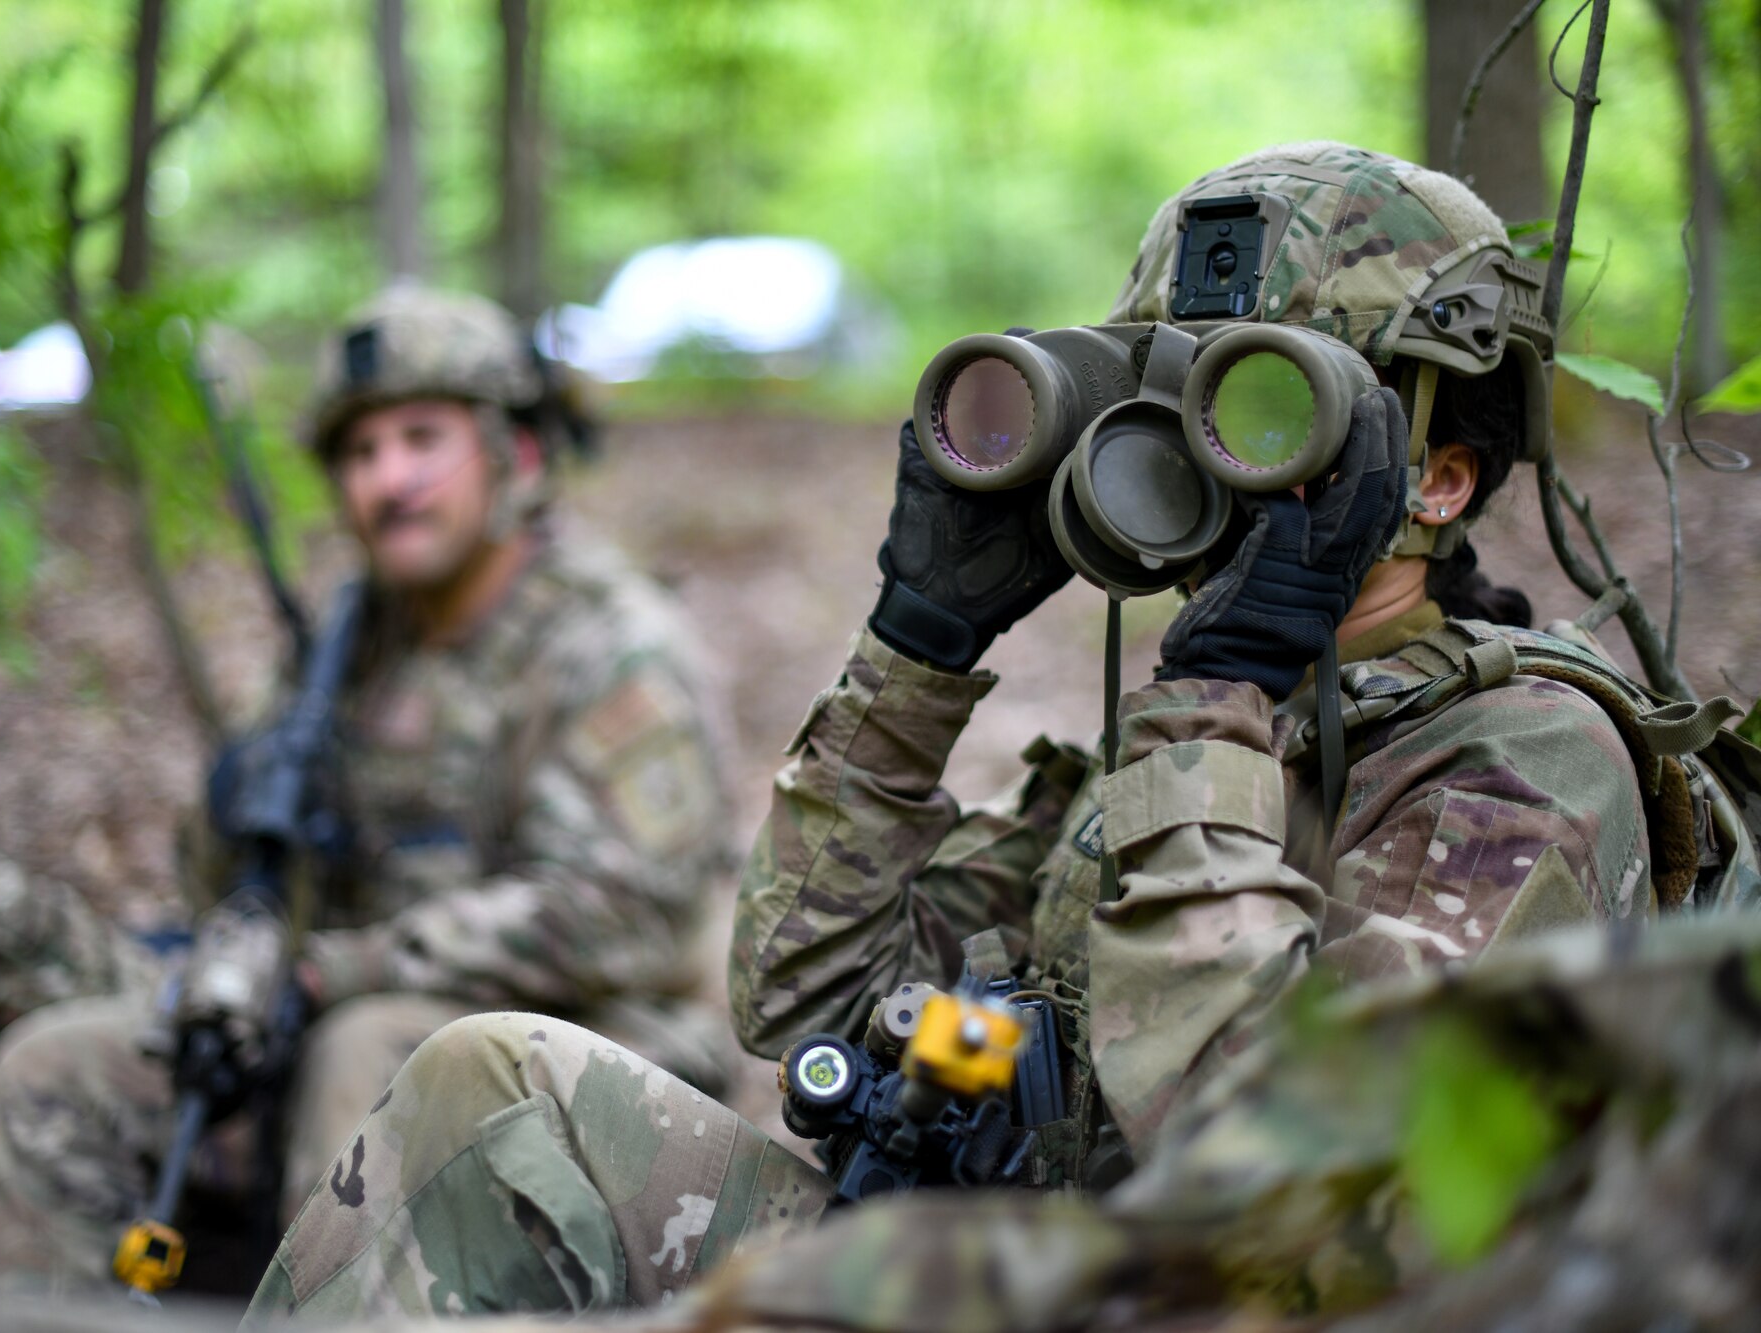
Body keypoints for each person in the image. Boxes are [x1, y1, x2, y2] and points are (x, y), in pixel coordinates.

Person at [240, 142, 1760, 1324]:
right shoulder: (1198, 731)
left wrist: (1215, 694)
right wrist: (920, 645)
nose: (1204, 461)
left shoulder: (1525, 756)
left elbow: (1299, 1209)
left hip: (1222, 1303)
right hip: (1007, 1262)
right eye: (1173, 397)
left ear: (1438, 477)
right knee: (488, 1080)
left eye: (1274, 408)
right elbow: (804, 999)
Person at [0, 284, 736, 1292]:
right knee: (50, 1068)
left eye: (422, 439)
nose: (388, 480)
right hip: (347, 1027)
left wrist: (343, 969)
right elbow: (224, 884)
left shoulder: (608, 644)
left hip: (594, 1057)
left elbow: (621, 912)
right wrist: (250, 808)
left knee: (369, 1054)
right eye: (360, 454)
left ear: (519, 458)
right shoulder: (350, 644)